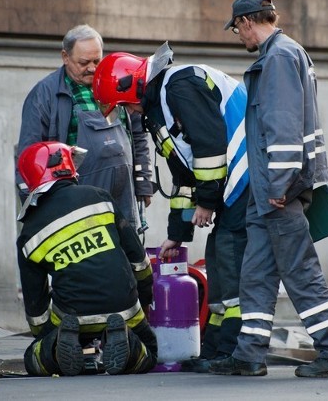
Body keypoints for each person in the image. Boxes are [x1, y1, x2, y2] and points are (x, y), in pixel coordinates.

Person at [210, 0, 328, 378]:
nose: (237, 37)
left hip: (278, 191)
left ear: (246, 21)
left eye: (236, 29)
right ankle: (249, 354)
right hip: (270, 191)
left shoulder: (277, 58)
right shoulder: (285, 53)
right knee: (256, 274)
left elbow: (283, 127)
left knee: (298, 270)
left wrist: (278, 184)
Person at [92, 42, 250, 373]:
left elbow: (210, 144)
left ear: (132, 84)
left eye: (126, 106)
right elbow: (183, 175)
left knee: (230, 255)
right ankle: (216, 348)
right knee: (220, 256)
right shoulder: (159, 106)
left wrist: (206, 202)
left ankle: (235, 349)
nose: (130, 113)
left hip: (249, 176)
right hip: (232, 183)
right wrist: (177, 235)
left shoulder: (179, 85)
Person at [16, 141, 157, 376]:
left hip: (71, 314)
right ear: (66, 167)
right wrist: (143, 301)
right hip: (124, 308)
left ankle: (56, 349)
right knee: (149, 351)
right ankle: (126, 342)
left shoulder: (28, 234)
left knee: (33, 359)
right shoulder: (99, 198)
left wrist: (46, 337)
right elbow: (139, 262)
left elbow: (35, 306)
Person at [15, 24, 153, 232]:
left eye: (97, 61)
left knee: (126, 256)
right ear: (65, 56)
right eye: (83, 62)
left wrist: (143, 181)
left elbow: (138, 135)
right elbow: (29, 155)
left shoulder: (117, 83)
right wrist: (36, 207)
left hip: (124, 196)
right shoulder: (45, 95)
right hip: (77, 200)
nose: (92, 68)